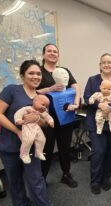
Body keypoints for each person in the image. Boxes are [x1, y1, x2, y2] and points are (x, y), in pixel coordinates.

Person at [0, 60, 54, 206]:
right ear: (22, 75)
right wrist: (18, 130)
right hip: (9, 144)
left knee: (36, 179)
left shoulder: (41, 98)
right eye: (31, 73)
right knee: (14, 179)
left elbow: (42, 123)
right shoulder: (12, 90)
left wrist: (36, 118)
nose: (36, 76)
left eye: (38, 73)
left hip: (31, 146)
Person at [37, 43, 81, 188]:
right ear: (44, 54)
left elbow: (76, 86)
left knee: (64, 147)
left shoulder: (64, 70)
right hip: (46, 118)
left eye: (55, 51)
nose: (53, 53)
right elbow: (33, 92)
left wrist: (76, 102)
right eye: (49, 51)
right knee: (47, 149)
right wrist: (50, 89)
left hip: (65, 116)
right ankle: (42, 178)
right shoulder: (38, 72)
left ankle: (66, 174)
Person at [84, 53, 111, 195]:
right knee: (98, 152)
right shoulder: (92, 80)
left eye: (109, 62)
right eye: (104, 62)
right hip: (96, 122)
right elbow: (87, 98)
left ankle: (106, 178)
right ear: (100, 65)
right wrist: (99, 105)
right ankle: (95, 181)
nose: (107, 64)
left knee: (110, 152)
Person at [14, 95, 54, 164]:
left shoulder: (42, 112)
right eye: (43, 104)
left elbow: (47, 116)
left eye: (46, 106)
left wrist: (51, 121)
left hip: (36, 127)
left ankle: (38, 152)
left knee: (42, 139)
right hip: (27, 126)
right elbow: (18, 113)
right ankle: (24, 154)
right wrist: (18, 120)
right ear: (35, 101)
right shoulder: (27, 108)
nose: (44, 107)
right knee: (28, 140)